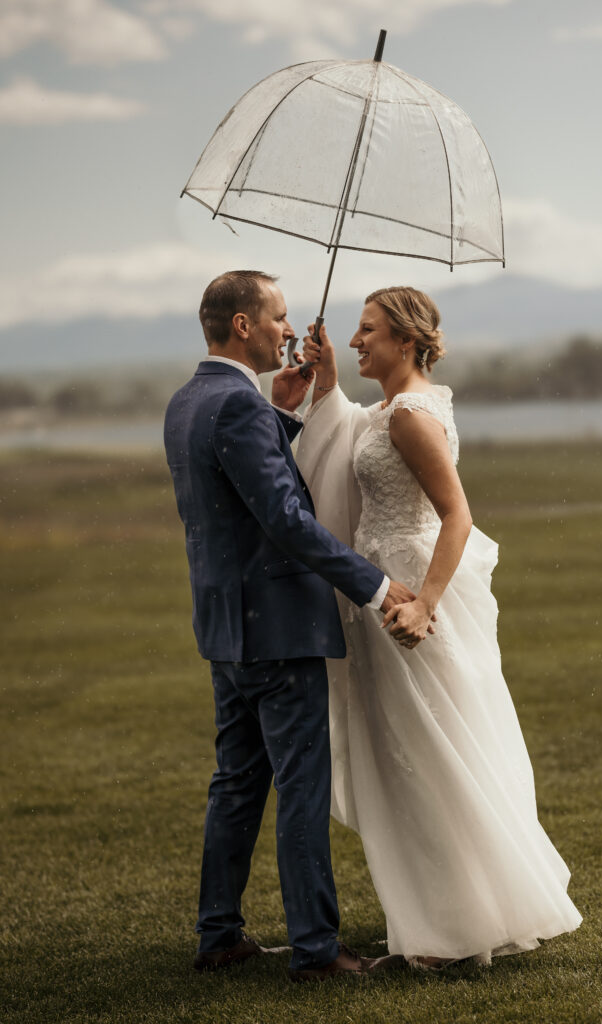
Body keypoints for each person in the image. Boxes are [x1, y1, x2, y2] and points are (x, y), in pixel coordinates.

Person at [296, 286, 583, 966]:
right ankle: (443, 918)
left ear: (404, 339)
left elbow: (455, 515)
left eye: (367, 331)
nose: (357, 339)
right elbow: (345, 434)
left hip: (409, 595)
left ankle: (452, 931)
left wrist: (423, 604)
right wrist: (328, 381)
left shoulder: (408, 418)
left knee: (424, 750)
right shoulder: (388, 411)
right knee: (411, 751)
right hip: (383, 589)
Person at [163, 271, 421, 982]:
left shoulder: (188, 402)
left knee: (237, 784)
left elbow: (236, 488)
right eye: (278, 317)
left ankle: (218, 936)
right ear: (243, 326)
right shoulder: (235, 408)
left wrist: (286, 412)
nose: (288, 329)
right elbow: (282, 519)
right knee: (300, 787)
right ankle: (316, 951)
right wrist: (371, 585)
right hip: (277, 629)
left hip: (223, 629)